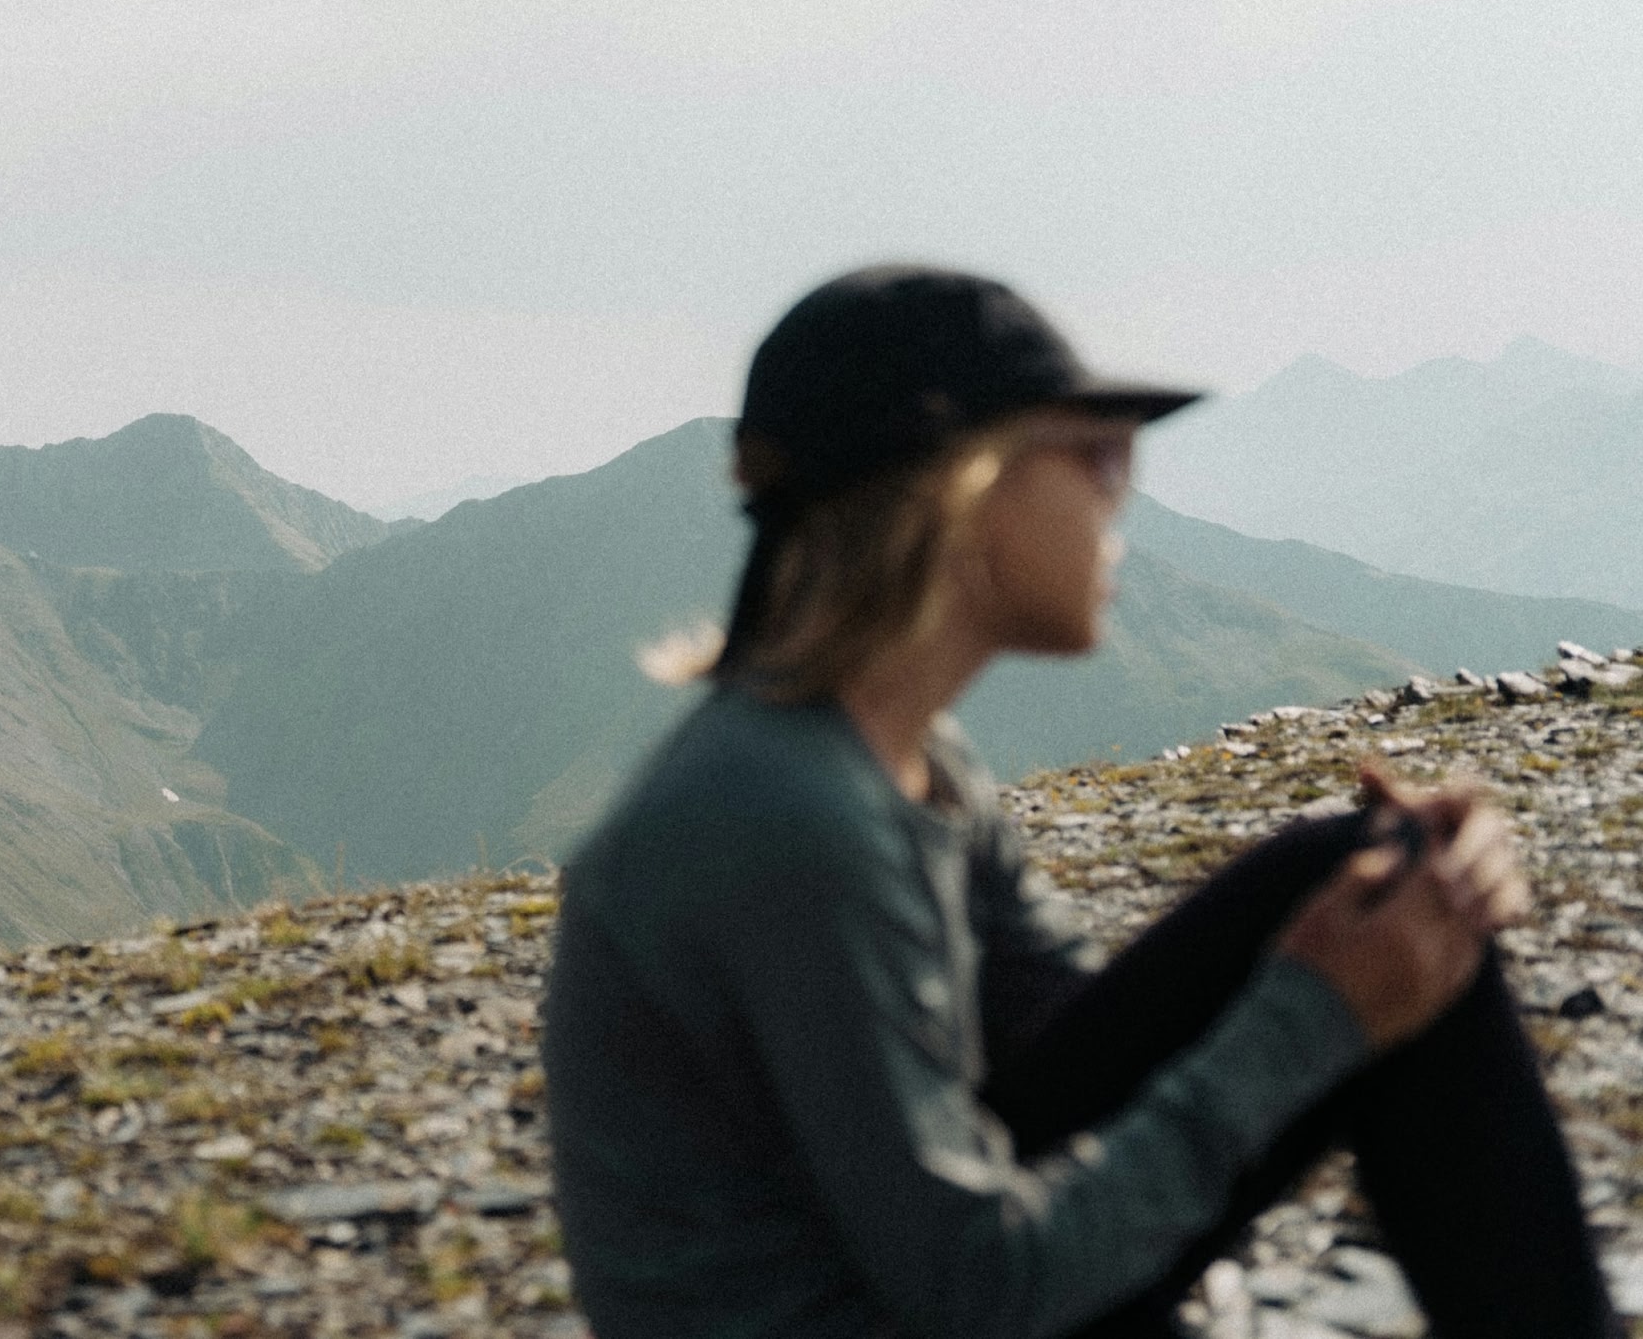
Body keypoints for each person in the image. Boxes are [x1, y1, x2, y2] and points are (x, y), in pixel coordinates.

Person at [540, 265, 1613, 1339]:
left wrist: (1389, 912)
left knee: (1368, 867)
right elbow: (981, 1290)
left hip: (916, 1289)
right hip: (932, 1306)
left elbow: (1072, 1038)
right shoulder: (786, 816)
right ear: (957, 489)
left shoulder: (901, 761)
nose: (1122, 496)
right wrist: (1321, 1009)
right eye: (1096, 453)